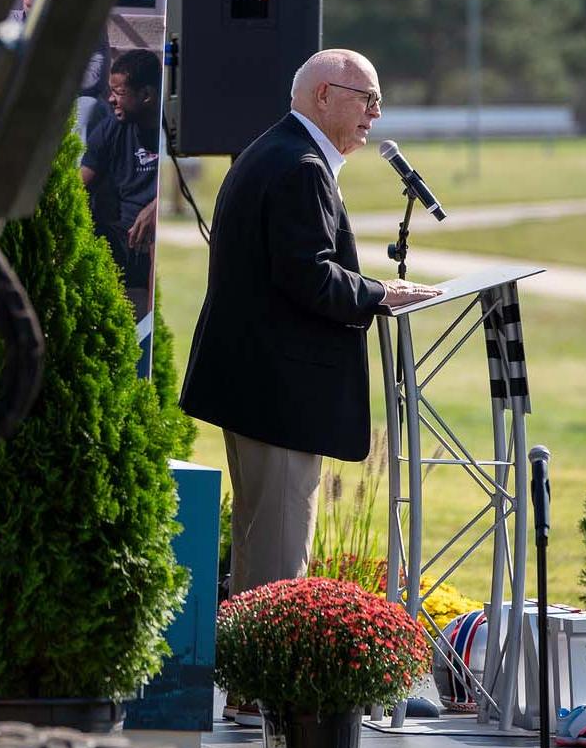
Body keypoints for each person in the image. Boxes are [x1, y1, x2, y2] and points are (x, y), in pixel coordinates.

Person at [179, 48, 437, 625]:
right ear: (324, 96)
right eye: (367, 99)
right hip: (280, 394)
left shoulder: (273, 151)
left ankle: (248, 692)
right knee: (277, 554)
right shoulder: (300, 165)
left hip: (257, 387)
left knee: (257, 542)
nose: (375, 115)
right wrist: (379, 294)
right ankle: (266, 702)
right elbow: (308, 276)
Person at [80, 48, 162, 318]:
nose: (110, 99)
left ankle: (152, 323)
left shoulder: (174, 130)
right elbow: (80, 185)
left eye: (119, 93)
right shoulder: (111, 128)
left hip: (160, 243)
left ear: (147, 95)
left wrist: (157, 207)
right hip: (123, 242)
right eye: (110, 91)